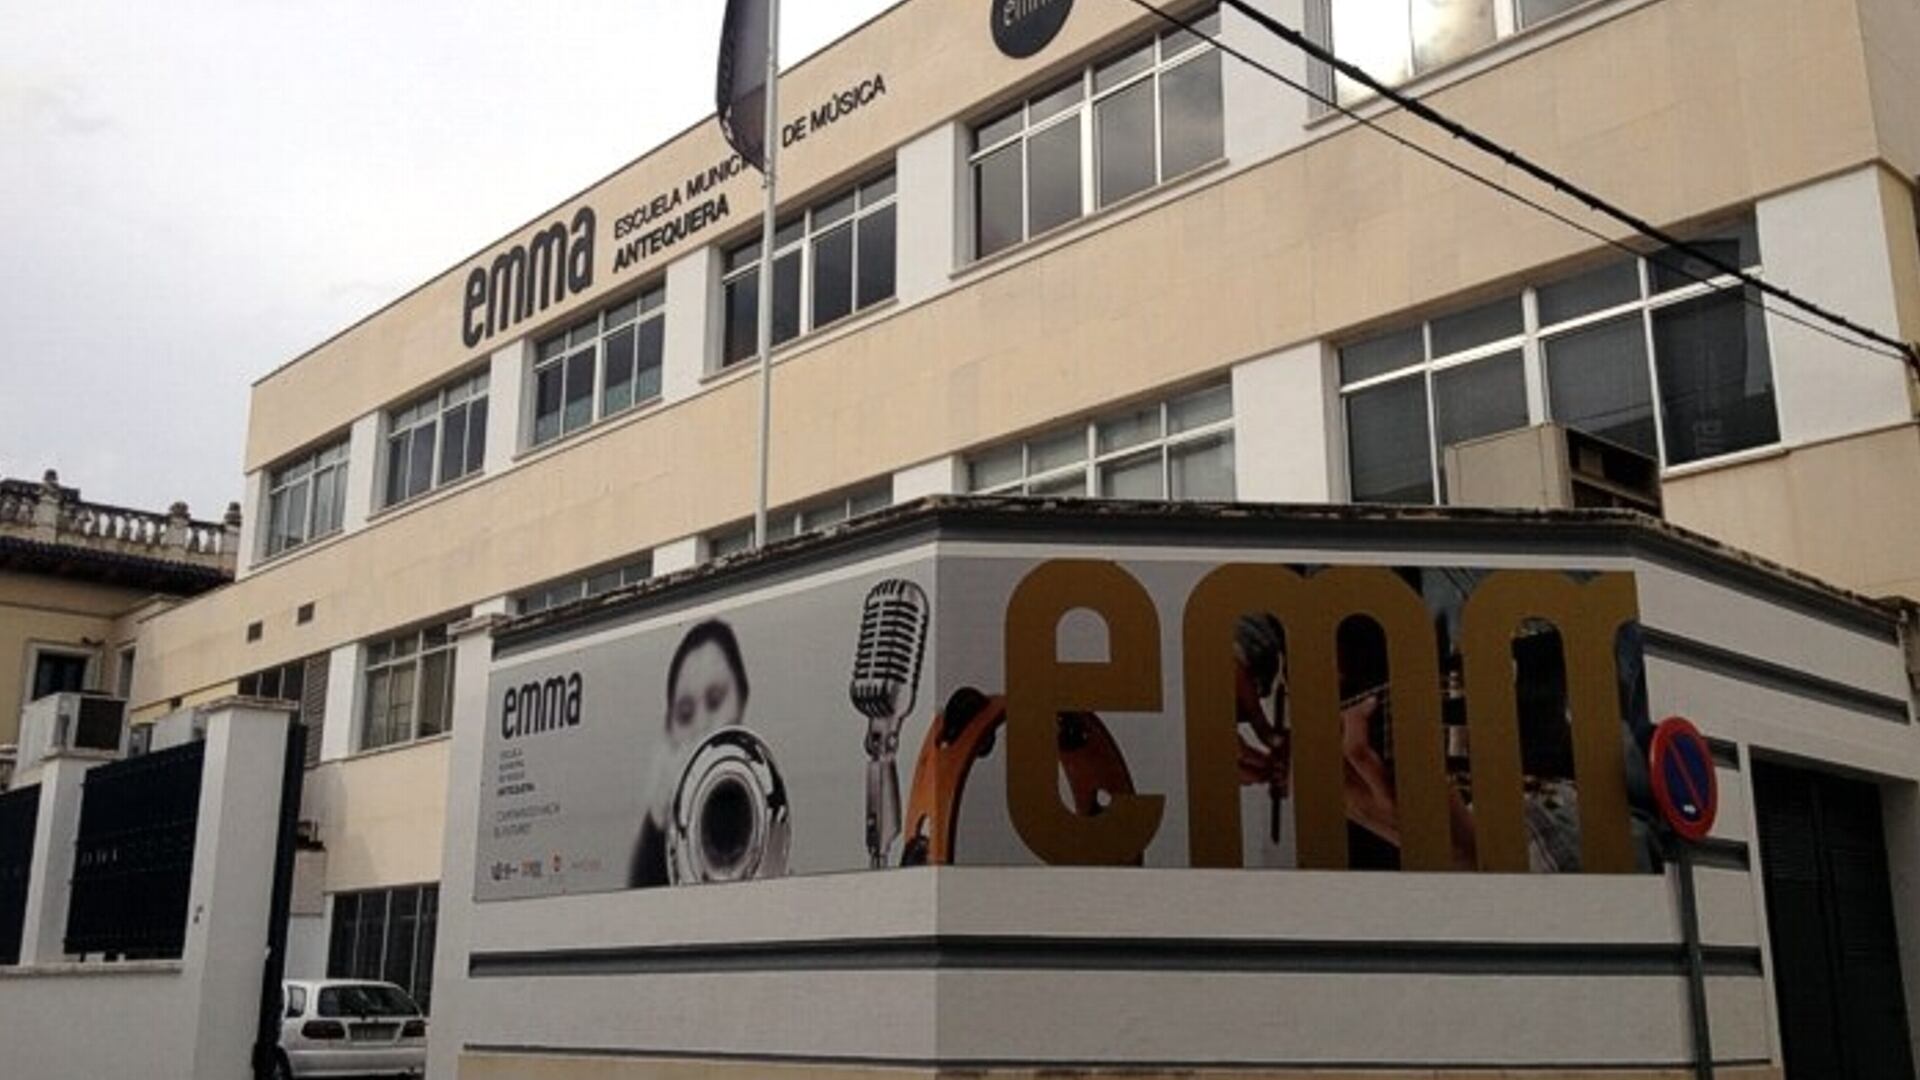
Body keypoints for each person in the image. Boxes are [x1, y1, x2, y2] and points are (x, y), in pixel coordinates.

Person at [629, 619, 750, 887]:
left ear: (742, 699)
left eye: (716, 700)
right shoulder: (661, 826)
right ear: (670, 729)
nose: (702, 725)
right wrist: (657, 825)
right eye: (685, 714)